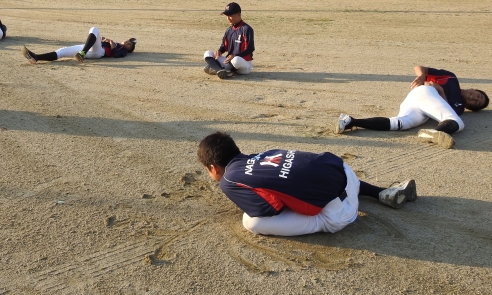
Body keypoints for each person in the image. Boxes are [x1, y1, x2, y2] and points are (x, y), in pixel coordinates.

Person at [197, 132, 417, 237]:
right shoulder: (264, 153)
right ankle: (382, 193)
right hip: (346, 172)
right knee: (307, 177)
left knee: (251, 222)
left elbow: (270, 209)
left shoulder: (228, 180)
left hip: (340, 214)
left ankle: (327, 219)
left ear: (213, 168)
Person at [335, 66, 489, 149]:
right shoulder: (451, 77)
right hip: (424, 91)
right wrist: (421, 76)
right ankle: (434, 133)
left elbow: (441, 110)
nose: (475, 98)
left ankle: (351, 121)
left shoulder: (459, 107)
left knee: (400, 123)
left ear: (470, 107)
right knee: (458, 123)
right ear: (474, 89)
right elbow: (420, 67)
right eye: (479, 95)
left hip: (420, 106)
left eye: (477, 103)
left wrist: (440, 90)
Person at [20, 26, 136, 64]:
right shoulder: (116, 42)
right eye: (128, 41)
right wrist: (104, 40)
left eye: (130, 45)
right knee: (62, 51)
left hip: (98, 52)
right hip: (89, 49)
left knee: (94, 29)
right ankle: (36, 57)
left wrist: (111, 43)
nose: (128, 43)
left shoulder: (122, 50)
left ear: (128, 49)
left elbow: (116, 55)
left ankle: (82, 53)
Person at [203, 2, 255, 79]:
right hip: (229, 62)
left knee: (236, 60)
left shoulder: (246, 29)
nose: (228, 18)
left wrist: (235, 55)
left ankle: (217, 68)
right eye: (227, 16)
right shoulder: (229, 30)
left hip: (244, 64)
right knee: (208, 53)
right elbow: (224, 46)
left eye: (230, 16)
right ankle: (221, 71)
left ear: (238, 14)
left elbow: (250, 48)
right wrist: (219, 51)